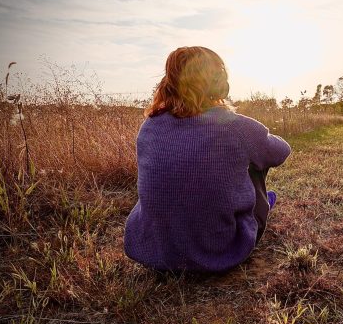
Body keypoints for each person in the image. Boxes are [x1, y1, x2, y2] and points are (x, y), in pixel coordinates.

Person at [124, 46, 291, 273]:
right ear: (219, 81)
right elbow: (280, 152)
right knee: (255, 163)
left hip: (155, 252)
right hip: (220, 251)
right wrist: (260, 136)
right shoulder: (235, 125)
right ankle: (258, 209)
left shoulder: (150, 125)